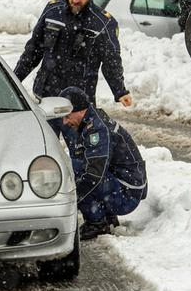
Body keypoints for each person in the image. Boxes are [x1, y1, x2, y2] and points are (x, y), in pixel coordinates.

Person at [14, 0, 132, 108]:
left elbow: (111, 61)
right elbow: (33, 51)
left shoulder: (103, 23)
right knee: (46, 130)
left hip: (80, 99)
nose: (75, 0)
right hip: (46, 94)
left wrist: (120, 91)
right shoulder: (52, 11)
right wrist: (14, 80)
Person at [57, 86, 148, 240]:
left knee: (73, 168)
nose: (65, 122)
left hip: (128, 195)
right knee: (77, 165)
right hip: (125, 186)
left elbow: (94, 173)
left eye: (67, 116)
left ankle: (97, 223)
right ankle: (106, 216)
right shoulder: (91, 120)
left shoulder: (98, 130)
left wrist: (71, 199)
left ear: (79, 110)